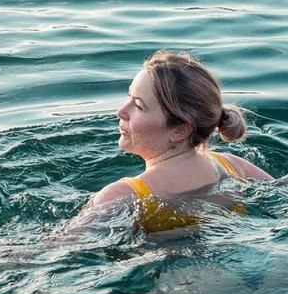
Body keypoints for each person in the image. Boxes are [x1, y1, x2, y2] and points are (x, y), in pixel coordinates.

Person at [70, 50, 270, 237]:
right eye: (129, 97)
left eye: (138, 105)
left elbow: (55, 251)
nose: (121, 111)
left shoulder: (121, 194)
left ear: (180, 130)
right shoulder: (232, 166)